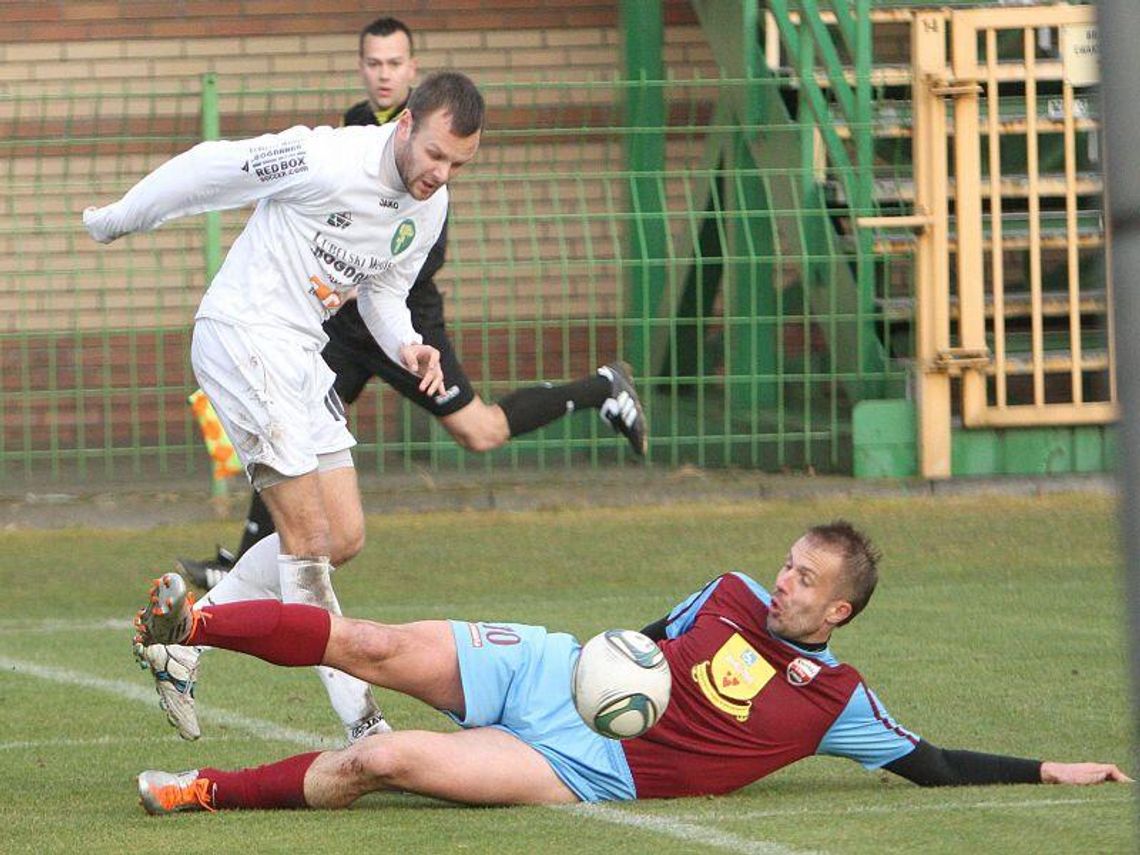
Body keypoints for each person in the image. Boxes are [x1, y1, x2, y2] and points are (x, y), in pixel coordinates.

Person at [130, 521, 1130, 815]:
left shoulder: (835, 702)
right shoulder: (730, 591)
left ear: (839, 611)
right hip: (553, 671)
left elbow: (932, 764)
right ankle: (193, 624)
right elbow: (651, 635)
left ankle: (201, 792)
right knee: (375, 644)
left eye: (804, 580)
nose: (781, 582)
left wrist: (1049, 769)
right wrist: (615, 662)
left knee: (386, 764)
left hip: (584, 770)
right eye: (786, 563)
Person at [85, 71, 493, 746]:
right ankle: (364, 723)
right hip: (243, 336)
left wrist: (411, 344)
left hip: (303, 356)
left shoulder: (431, 207)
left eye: (458, 164)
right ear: (405, 127)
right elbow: (215, 167)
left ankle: (186, 639)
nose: (442, 173)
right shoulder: (326, 157)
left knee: (344, 536)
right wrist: (119, 219)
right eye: (435, 155)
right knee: (307, 545)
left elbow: (383, 292)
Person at [177, 15, 648, 592]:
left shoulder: (434, 149)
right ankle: (246, 564)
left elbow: (410, 259)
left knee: (480, 433)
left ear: (413, 74)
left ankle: (601, 388)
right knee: (289, 429)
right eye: (373, 64)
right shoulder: (351, 131)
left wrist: (367, 286)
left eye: (394, 64)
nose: (383, 74)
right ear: (362, 68)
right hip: (338, 327)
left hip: (405, 324)